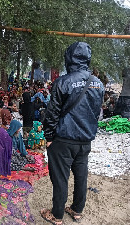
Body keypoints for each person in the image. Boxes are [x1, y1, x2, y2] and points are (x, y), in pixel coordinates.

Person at [40, 42, 104, 225]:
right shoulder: (98, 84)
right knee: (81, 175)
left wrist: (49, 137)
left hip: (64, 139)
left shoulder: (63, 82)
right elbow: (96, 112)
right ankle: (77, 210)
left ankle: (57, 215)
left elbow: (52, 113)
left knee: (61, 178)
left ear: (69, 58)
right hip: (85, 140)